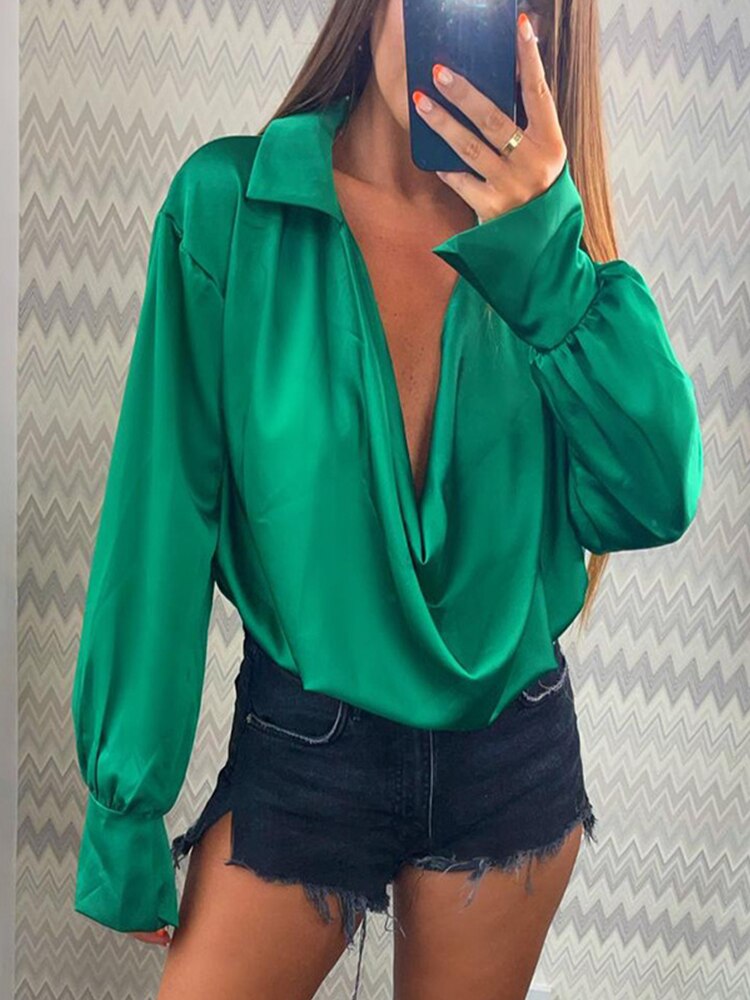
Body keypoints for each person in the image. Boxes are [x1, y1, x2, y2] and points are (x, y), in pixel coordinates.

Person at [70, 0, 704, 997]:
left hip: (510, 758)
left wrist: (545, 259)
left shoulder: (557, 268)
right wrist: (124, 803)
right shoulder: (230, 210)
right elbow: (159, 525)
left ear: (545, 34)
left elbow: (656, 498)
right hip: (303, 749)